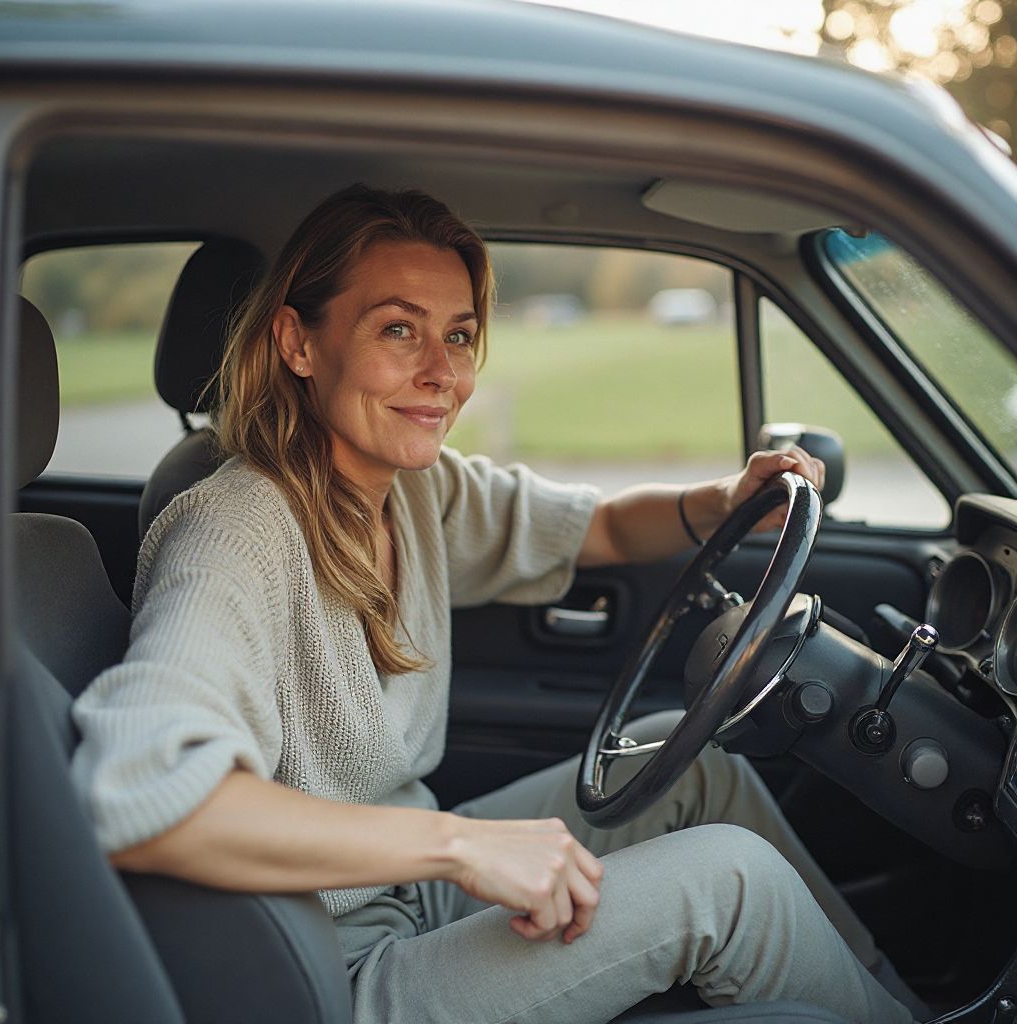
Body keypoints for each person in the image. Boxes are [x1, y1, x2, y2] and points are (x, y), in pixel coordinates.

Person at [71, 185, 918, 1024]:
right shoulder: (235, 528)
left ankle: (891, 999)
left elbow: (602, 530)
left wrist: (728, 499)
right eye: (398, 329)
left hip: (401, 891)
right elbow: (141, 796)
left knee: (704, 773)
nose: (442, 373)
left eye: (461, 335)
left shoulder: (410, 491)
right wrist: (459, 847)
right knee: (734, 882)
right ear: (298, 341)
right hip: (331, 968)